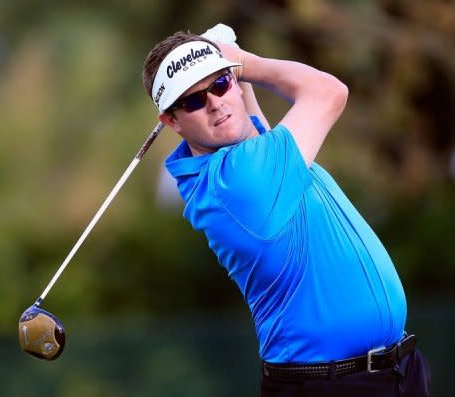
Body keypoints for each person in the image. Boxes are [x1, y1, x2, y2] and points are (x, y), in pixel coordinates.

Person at [141, 25, 431, 397]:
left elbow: (251, 131)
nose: (215, 102)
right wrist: (244, 63)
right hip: (330, 384)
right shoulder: (240, 181)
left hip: (392, 372)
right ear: (171, 121)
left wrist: (233, 71)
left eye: (219, 85)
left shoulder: (242, 161)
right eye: (194, 101)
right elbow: (329, 92)